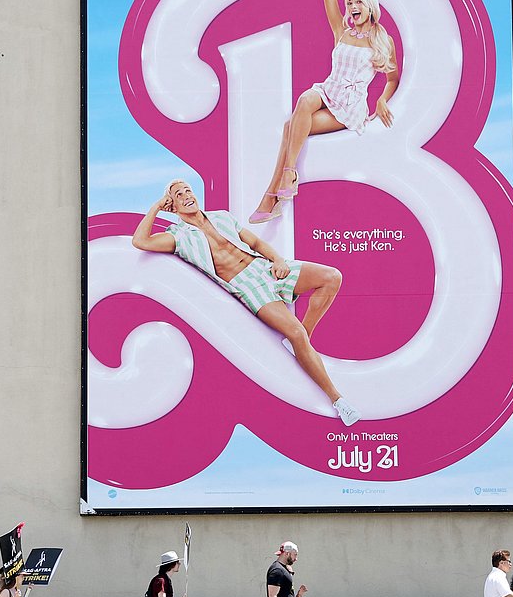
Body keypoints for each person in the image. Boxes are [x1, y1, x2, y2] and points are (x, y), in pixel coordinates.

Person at [132, 180, 360, 426]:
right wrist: (156, 207)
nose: (187, 195)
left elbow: (256, 244)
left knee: (331, 278)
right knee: (294, 333)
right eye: (179, 194)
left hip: (265, 267)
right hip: (248, 286)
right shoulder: (177, 237)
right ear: (173, 206)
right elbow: (140, 241)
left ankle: (304, 341)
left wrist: (278, 260)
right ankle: (338, 401)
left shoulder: (221, 217)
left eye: (188, 190)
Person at [248, 0, 400, 224]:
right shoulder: (341, 31)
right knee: (305, 99)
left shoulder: (382, 39)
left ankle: (270, 199)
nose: (351, 6)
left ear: (369, 6)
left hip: (350, 106)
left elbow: (392, 78)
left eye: (357, 2)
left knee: (289, 127)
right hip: (327, 91)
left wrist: (381, 99)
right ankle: (289, 176)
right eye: (349, 2)